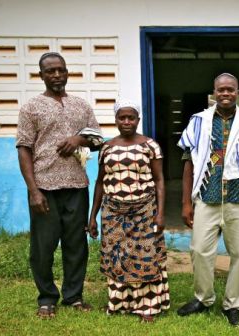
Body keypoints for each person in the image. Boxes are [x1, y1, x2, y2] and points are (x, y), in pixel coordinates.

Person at [176, 73, 239, 326]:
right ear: (214, 93)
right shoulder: (199, 122)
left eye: (230, 89)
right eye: (221, 90)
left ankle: (233, 304)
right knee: (199, 250)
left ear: (238, 92)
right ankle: (203, 298)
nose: (225, 93)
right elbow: (188, 164)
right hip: (206, 197)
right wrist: (186, 203)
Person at [16, 52, 103, 318]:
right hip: (44, 188)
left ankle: (73, 296)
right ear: (40, 75)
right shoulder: (31, 107)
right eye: (50, 71)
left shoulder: (81, 105)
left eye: (60, 70)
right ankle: (46, 298)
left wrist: (79, 140)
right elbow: (24, 148)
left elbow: (98, 139)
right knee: (43, 247)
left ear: (67, 73)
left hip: (76, 186)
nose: (56, 75)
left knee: (76, 245)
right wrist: (33, 190)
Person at [88, 99, 169, 322]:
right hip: (112, 213)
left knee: (144, 256)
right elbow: (100, 182)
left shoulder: (150, 145)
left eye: (130, 117)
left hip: (145, 211)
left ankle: (147, 306)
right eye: (122, 118)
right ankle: (119, 303)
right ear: (115, 120)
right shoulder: (107, 147)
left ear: (138, 120)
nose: (126, 121)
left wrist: (160, 213)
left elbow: (160, 180)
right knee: (117, 256)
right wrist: (92, 216)